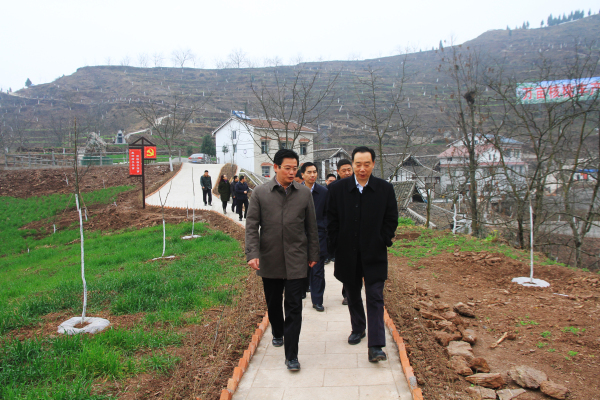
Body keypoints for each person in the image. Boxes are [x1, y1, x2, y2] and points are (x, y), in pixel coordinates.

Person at [246, 149, 320, 372]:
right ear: (276, 167)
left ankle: (292, 355)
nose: (291, 172)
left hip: (297, 258)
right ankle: (277, 331)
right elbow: (252, 226)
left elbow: (312, 228)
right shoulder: (260, 193)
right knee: (273, 302)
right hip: (270, 258)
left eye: (294, 168)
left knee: (294, 306)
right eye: (287, 168)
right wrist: (252, 253)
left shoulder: (304, 194)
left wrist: (313, 255)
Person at [326, 146, 399, 363]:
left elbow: (391, 218)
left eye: (367, 164)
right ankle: (358, 328)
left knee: (375, 296)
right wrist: (336, 244)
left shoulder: (384, 189)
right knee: (353, 294)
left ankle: (376, 346)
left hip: (374, 253)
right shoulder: (338, 190)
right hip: (347, 253)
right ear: (352, 164)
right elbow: (331, 219)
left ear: (373, 164)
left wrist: (383, 239)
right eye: (358, 164)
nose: (362, 168)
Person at [301, 162, 328, 312]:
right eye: (309, 172)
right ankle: (301, 291)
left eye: (315, 172)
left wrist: (323, 227)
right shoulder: (295, 191)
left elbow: (328, 213)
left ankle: (317, 300)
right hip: (299, 236)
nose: (312, 175)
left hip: (318, 236)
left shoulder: (323, 192)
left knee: (318, 269)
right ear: (302, 175)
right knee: (302, 268)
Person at [332, 158, 353, 304]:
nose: (347, 173)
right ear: (338, 172)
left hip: (356, 232)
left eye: (349, 170)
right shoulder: (334, 188)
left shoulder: (358, 186)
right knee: (345, 265)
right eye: (343, 171)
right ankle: (347, 293)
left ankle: (349, 293)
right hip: (341, 234)